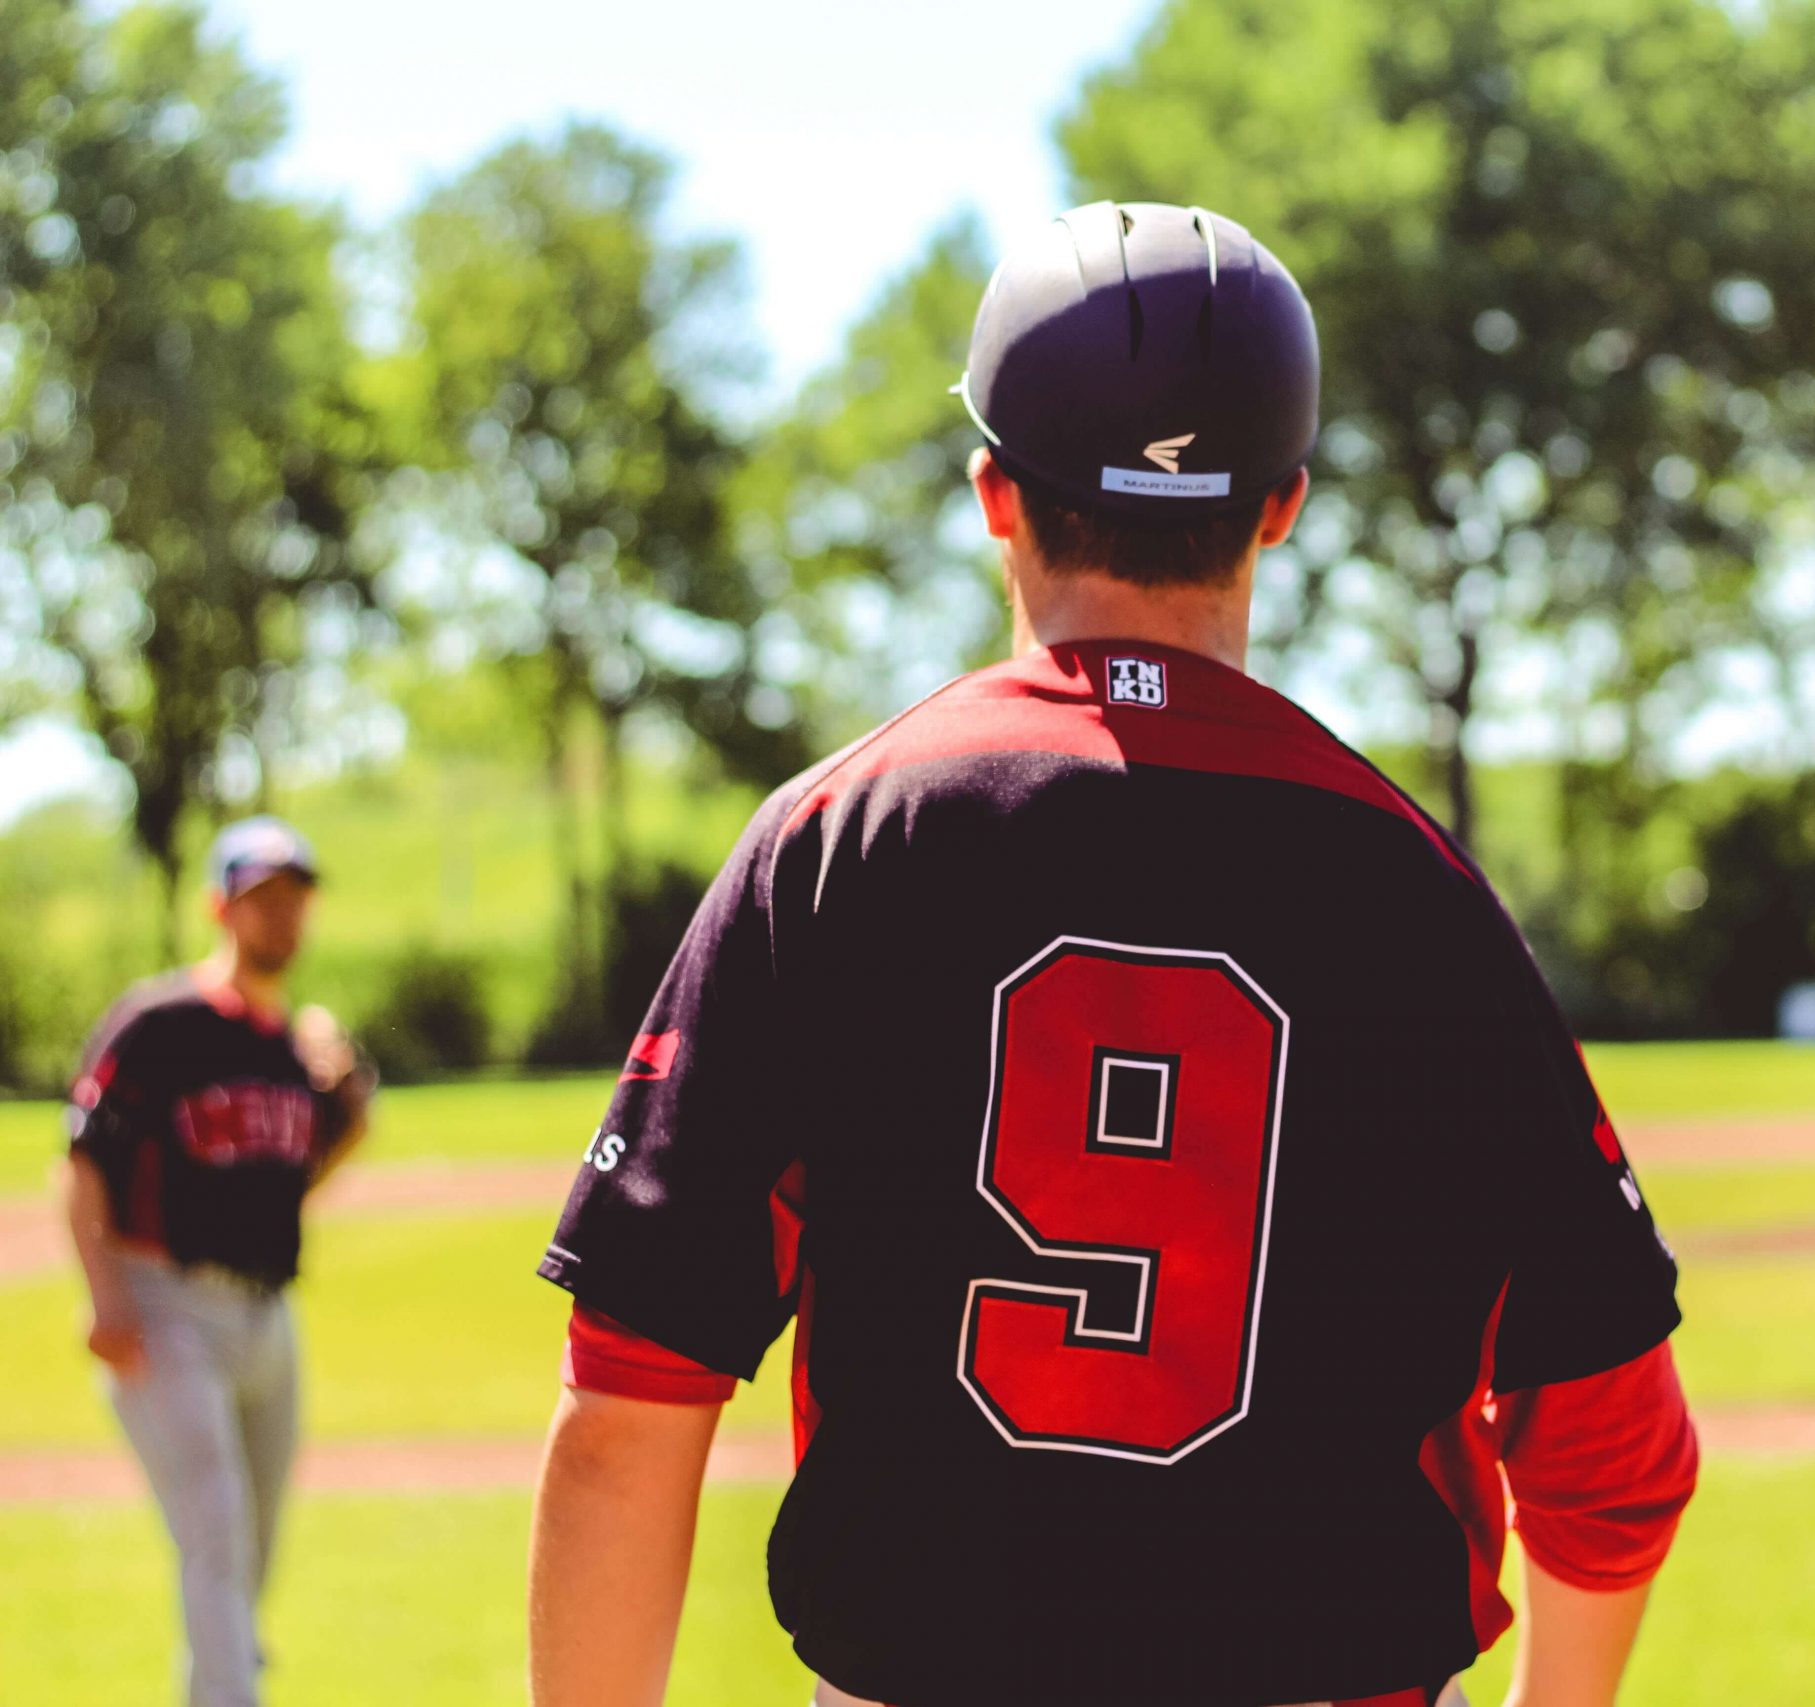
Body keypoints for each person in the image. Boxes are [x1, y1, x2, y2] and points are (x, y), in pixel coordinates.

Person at [528, 202, 1697, 1707]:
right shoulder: (1419, 889)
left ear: (993, 490)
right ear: (1281, 505)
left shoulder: (837, 839)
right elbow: (1612, 1438)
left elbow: (630, 1398)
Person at [62, 815, 375, 1707]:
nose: (281, 917)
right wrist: (105, 1300)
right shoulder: (160, 1021)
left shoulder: (288, 1049)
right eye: (261, 899)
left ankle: (222, 1678)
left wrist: (347, 1105)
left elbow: (286, 1180)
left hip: (269, 1315)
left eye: (294, 900)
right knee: (218, 1533)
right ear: (219, 907)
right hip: (167, 1304)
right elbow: (82, 1165)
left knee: (255, 1545)